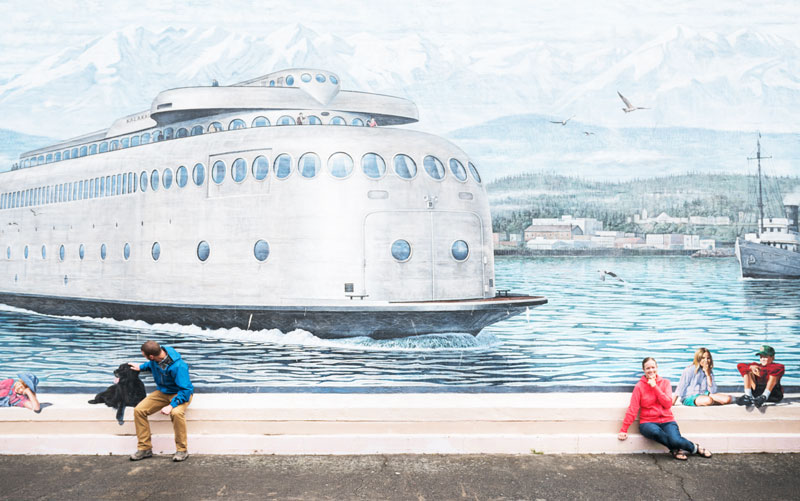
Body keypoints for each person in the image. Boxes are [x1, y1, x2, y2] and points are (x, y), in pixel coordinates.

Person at [618, 357, 712, 460]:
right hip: (648, 423)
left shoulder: (665, 383)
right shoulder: (639, 387)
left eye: (653, 367)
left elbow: (668, 404)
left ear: (657, 368)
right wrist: (624, 429)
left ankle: (694, 448)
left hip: (667, 421)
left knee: (676, 440)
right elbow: (633, 408)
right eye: (647, 368)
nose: (651, 370)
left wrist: (655, 387)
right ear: (644, 370)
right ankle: (677, 449)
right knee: (655, 432)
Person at [128, 340, 194, 462]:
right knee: (139, 410)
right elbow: (150, 365)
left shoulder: (179, 366)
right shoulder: (155, 360)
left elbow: (186, 390)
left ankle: (182, 450)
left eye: (144, 355)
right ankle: (145, 448)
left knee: (176, 413)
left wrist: (171, 405)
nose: (145, 358)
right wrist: (140, 367)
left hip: (180, 394)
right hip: (163, 393)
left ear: (151, 356)